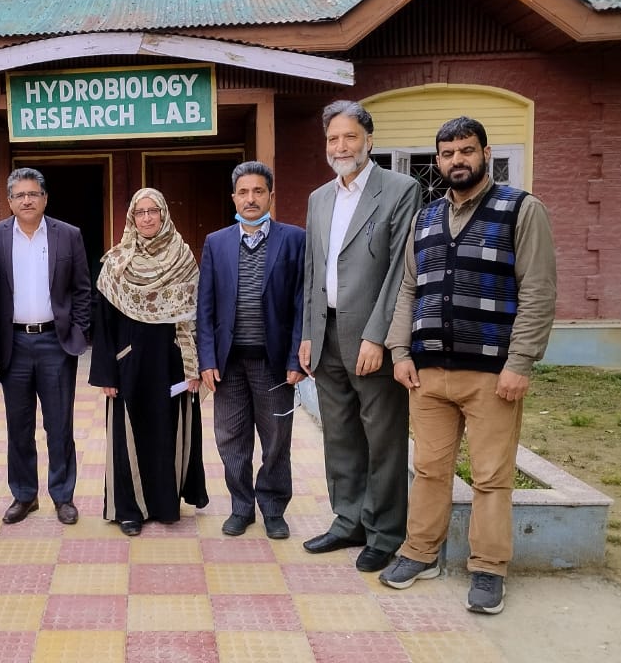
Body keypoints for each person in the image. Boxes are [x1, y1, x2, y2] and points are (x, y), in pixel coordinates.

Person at [379, 116, 557, 615]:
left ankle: (488, 569)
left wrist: (521, 361)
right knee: (429, 469)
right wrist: (399, 351)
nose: (457, 160)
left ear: (485, 152)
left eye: (466, 150)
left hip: (493, 374)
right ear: (437, 161)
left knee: (490, 476)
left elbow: (539, 290)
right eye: (448, 153)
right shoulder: (427, 217)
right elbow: (409, 289)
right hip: (429, 370)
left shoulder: (521, 209)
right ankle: (420, 552)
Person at [299, 100, 419, 573]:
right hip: (325, 335)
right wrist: (309, 334)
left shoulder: (399, 189)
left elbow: (399, 272)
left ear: (369, 139)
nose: (341, 146)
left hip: (371, 339)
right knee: (341, 435)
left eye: (350, 137)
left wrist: (379, 337)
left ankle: (385, 532)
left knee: (383, 437)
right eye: (333, 138)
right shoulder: (319, 198)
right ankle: (347, 519)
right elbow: (313, 271)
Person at [89, 187, 208, 536]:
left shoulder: (183, 258)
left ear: (164, 213)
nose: (146, 218)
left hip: (171, 363)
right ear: (131, 218)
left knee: (165, 434)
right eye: (139, 212)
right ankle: (129, 510)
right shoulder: (116, 262)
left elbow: (193, 317)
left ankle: (163, 504)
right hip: (129, 364)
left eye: (153, 210)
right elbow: (103, 323)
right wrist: (106, 372)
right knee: (128, 437)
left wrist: (194, 366)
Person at [196, 161, 306, 540]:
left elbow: (301, 302)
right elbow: (204, 307)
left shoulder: (294, 239)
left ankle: (273, 508)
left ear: (271, 196)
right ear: (233, 197)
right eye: (243, 192)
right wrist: (206, 359)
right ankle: (241, 507)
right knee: (231, 438)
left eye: (259, 191)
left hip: (273, 362)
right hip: (228, 363)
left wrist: (296, 358)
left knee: (277, 439)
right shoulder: (217, 241)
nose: (251, 198)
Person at [0, 168, 93, 526]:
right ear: (10, 201)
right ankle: (24, 495)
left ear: (45, 198)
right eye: (19, 195)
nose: (27, 200)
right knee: (18, 426)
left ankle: (63, 496)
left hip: (55, 342)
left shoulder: (68, 235)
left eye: (33, 194)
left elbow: (83, 289)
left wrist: (78, 333)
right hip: (13, 344)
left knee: (59, 425)